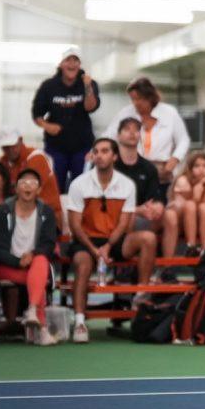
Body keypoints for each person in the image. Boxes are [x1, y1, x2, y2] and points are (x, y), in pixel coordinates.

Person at [66, 138, 157, 344]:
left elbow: (124, 223)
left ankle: (140, 296)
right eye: (96, 151)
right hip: (86, 240)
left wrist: (107, 247)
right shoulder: (79, 184)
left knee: (148, 238)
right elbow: (75, 225)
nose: (99, 155)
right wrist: (94, 249)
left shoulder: (127, 185)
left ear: (114, 156)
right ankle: (80, 322)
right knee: (83, 263)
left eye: (105, 151)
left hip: (114, 240)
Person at [0, 169, 59, 346]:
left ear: (39, 190)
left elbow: (49, 244)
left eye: (33, 183)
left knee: (41, 261)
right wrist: (17, 261)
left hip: (35, 263)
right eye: (23, 183)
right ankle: (40, 327)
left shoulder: (46, 213)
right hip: (8, 265)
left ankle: (32, 312)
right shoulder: (4, 211)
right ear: (16, 188)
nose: (27, 186)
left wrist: (32, 255)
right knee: (38, 280)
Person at [103, 77, 190, 197]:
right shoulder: (125, 112)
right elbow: (109, 136)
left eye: (139, 98)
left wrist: (174, 160)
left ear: (149, 96)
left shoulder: (169, 112)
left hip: (163, 171)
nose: (135, 103)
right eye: (132, 99)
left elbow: (183, 140)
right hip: (134, 170)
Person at [31, 46, 100, 192]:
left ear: (80, 65)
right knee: (54, 186)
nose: (72, 64)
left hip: (82, 146)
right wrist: (47, 126)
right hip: (56, 147)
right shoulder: (49, 86)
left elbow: (90, 107)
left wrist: (87, 87)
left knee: (81, 187)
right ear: (61, 64)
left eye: (76, 60)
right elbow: (36, 114)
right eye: (68, 60)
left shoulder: (89, 83)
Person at [114, 118, 172, 245]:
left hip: (143, 216)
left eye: (136, 130)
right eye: (127, 129)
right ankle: (123, 257)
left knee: (170, 216)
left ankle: (167, 264)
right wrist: (135, 209)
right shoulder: (110, 166)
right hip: (115, 217)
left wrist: (157, 207)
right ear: (118, 135)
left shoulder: (148, 168)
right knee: (130, 215)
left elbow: (154, 198)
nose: (132, 132)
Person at [0, 126, 63, 232]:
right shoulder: (3, 161)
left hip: (46, 217)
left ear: (21, 141)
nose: (9, 150)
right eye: (5, 147)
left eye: (12, 145)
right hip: (20, 215)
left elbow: (29, 192)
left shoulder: (36, 158)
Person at [164, 152, 205, 257]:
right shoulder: (182, 180)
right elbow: (194, 200)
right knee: (190, 205)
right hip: (179, 221)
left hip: (197, 222)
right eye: (197, 166)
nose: (201, 169)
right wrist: (200, 185)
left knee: (204, 207)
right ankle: (190, 245)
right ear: (190, 168)